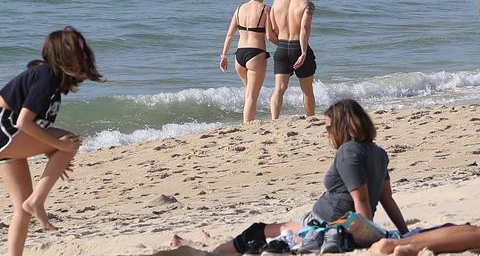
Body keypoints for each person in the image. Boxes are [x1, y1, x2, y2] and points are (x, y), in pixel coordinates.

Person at [172, 99, 409, 254]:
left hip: (325, 223)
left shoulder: (347, 152)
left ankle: (213, 253)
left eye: (328, 128)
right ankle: (211, 249)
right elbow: (387, 199)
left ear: (342, 126)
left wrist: (364, 238)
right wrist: (405, 233)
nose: (327, 133)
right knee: (265, 232)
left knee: (255, 233)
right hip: (331, 220)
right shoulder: (378, 152)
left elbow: (362, 201)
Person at [0, 26, 105, 256]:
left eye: (84, 51)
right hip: (3, 129)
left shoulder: (52, 81)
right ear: (63, 55)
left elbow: (36, 126)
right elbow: (23, 122)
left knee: (21, 208)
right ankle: (37, 201)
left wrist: (54, 153)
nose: (85, 56)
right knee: (71, 140)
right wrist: (59, 147)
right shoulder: (47, 75)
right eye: (79, 52)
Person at [219, 0, 274, 123]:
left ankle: (248, 121)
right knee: (251, 95)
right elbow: (269, 36)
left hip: (239, 56)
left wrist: (224, 56)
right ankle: (247, 125)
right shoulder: (265, 10)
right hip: (256, 54)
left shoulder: (239, 9)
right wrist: (284, 44)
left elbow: (230, 34)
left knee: (249, 92)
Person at [269, 0, 318, 118]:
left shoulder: (277, 1)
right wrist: (303, 52)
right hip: (298, 46)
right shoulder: (307, 4)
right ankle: (310, 118)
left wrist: (281, 45)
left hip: (282, 47)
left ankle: (274, 120)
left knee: (279, 88)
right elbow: (304, 28)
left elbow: (273, 30)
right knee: (307, 89)